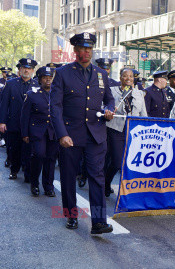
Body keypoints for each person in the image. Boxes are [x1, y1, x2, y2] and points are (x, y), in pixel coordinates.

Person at [50, 32, 115, 234]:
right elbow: (56, 107)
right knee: (69, 177)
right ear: (75, 50)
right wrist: (62, 134)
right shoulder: (63, 73)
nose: (86, 51)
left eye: (89, 48)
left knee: (97, 176)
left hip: (96, 134)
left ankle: (98, 222)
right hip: (71, 135)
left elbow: (109, 99)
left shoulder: (101, 74)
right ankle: (71, 215)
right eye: (82, 48)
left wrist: (109, 109)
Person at [104, 68, 147, 197]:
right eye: (125, 76)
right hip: (116, 130)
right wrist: (109, 110)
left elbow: (143, 113)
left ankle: (127, 191)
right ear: (120, 77)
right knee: (117, 162)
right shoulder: (112, 91)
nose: (128, 78)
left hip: (134, 131)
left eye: (131, 76)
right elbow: (105, 107)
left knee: (131, 162)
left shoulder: (139, 94)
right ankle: (106, 182)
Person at [20, 66, 58, 197]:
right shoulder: (32, 94)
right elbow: (25, 116)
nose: (48, 80)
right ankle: (34, 183)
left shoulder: (58, 94)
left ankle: (48, 186)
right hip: (37, 131)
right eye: (45, 78)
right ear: (40, 80)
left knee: (51, 159)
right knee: (39, 155)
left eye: (50, 78)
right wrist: (25, 133)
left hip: (53, 131)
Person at [0, 58, 39, 180]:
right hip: (14, 122)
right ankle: (14, 170)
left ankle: (28, 174)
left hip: (30, 124)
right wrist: (2, 121)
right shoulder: (11, 84)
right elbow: (4, 104)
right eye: (24, 68)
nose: (26, 70)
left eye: (29, 68)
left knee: (29, 150)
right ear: (20, 69)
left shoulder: (37, 85)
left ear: (33, 70)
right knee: (14, 149)